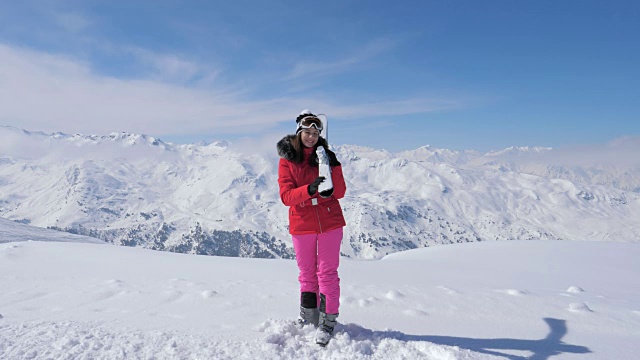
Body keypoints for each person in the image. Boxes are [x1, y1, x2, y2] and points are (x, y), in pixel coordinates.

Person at [276, 110, 347, 346]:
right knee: (307, 273)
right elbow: (286, 196)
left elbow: (340, 192)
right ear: (299, 132)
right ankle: (309, 317)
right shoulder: (287, 160)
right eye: (307, 132)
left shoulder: (325, 156)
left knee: (326, 273)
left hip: (329, 220)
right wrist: (310, 189)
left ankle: (328, 321)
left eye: (315, 133)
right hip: (302, 222)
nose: (311, 136)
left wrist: (333, 166)